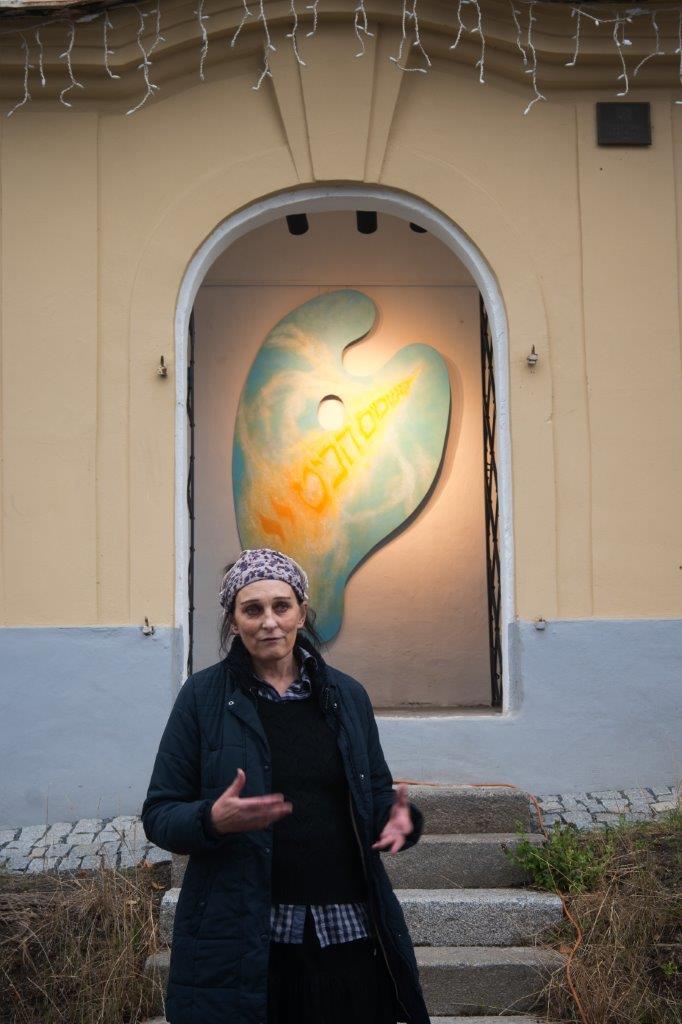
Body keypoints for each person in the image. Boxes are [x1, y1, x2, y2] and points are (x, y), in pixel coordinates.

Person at [141, 548, 430, 1024]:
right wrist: (211, 819)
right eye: (252, 609)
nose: (269, 622)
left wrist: (399, 819)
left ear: (301, 612)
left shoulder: (347, 696)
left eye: (281, 606)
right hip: (249, 941)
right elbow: (159, 813)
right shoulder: (202, 698)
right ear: (234, 621)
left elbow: (376, 792)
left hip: (349, 933)